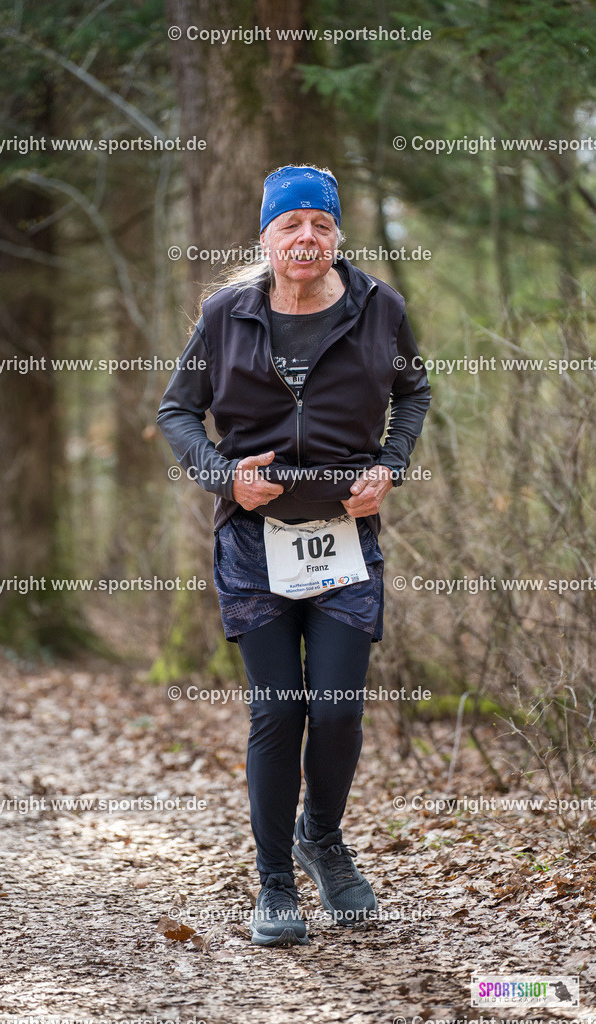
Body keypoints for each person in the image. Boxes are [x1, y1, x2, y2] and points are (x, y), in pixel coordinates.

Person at [157, 164, 431, 947]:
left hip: (344, 537)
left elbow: (412, 393)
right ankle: (274, 881)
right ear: (266, 237)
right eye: (290, 224)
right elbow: (177, 411)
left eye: (320, 223)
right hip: (253, 543)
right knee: (278, 710)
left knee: (337, 710)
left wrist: (390, 466)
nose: (305, 236)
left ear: (336, 234)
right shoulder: (226, 316)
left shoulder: (379, 308)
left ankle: (322, 839)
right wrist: (223, 477)